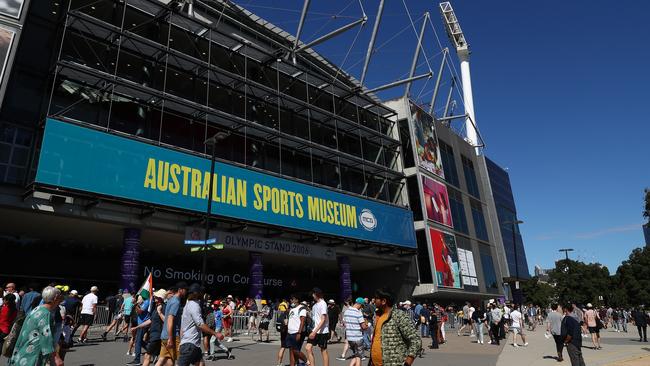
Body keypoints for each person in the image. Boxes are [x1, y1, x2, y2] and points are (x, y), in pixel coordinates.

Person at [8, 286, 64, 366]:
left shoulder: (37, 309)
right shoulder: (46, 314)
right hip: (32, 356)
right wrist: (56, 358)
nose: (61, 300)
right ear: (55, 298)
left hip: (23, 352)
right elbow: (46, 338)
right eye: (60, 297)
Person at [369, 288, 421, 366]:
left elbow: (416, 340)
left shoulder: (399, 315)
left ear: (383, 301)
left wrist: (408, 362)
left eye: (376, 298)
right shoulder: (377, 315)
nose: (374, 300)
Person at [177, 284, 225, 366]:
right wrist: (215, 333)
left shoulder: (188, 305)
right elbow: (200, 324)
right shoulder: (194, 306)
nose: (203, 294)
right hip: (190, 345)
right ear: (196, 293)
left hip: (192, 345)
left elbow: (182, 327)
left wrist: (181, 342)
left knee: (200, 364)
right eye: (201, 292)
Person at [156, 282, 188, 366]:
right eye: (185, 290)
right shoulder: (176, 302)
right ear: (180, 290)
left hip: (165, 335)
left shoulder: (171, 300)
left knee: (168, 361)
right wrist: (170, 338)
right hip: (172, 336)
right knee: (182, 360)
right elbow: (170, 320)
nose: (186, 292)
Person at [143, 289, 167, 366]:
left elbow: (166, 321)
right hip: (153, 335)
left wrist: (159, 312)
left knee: (147, 356)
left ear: (160, 297)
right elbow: (150, 320)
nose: (154, 297)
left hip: (158, 336)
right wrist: (138, 327)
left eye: (156, 296)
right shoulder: (156, 307)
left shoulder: (163, 307)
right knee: (161, 358)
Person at [306, 287, 330, 366]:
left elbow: (323, 319)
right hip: (314, 330)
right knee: (308, 347)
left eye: (313, 294)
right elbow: (314, 319)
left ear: (316, 294)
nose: (312, 295)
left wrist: (314, 332)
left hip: (322, 331)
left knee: (323, 350)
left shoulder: (323, 304)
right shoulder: (314, 305)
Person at [127, 292, 152, 365]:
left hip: (143, 324)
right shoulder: (144, 302)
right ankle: (152, 351)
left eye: (140, 295)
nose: (139, 297)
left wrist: (136, 304)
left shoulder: (147, 301)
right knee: (139, 341)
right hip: (140, 324)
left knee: (138, 341)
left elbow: (140, 311)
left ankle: (137, 360)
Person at [342, 297, 368, 366]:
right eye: (362, 306)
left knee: (355, 355)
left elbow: (344, 323)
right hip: (358, 338)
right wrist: (367, 325)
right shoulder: (358, 313)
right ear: (360, 304)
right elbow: (363, 327)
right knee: (359, 357)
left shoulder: (346, 311)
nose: (362, 308)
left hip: (350, 338)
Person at [276, 300, 290, 366]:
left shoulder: (280, 315)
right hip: (287, 333)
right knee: (292, 348)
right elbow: (286, 323)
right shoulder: (286, 315)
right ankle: (295, 362)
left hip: (282, 333)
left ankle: (279, 363)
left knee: (282, 347)